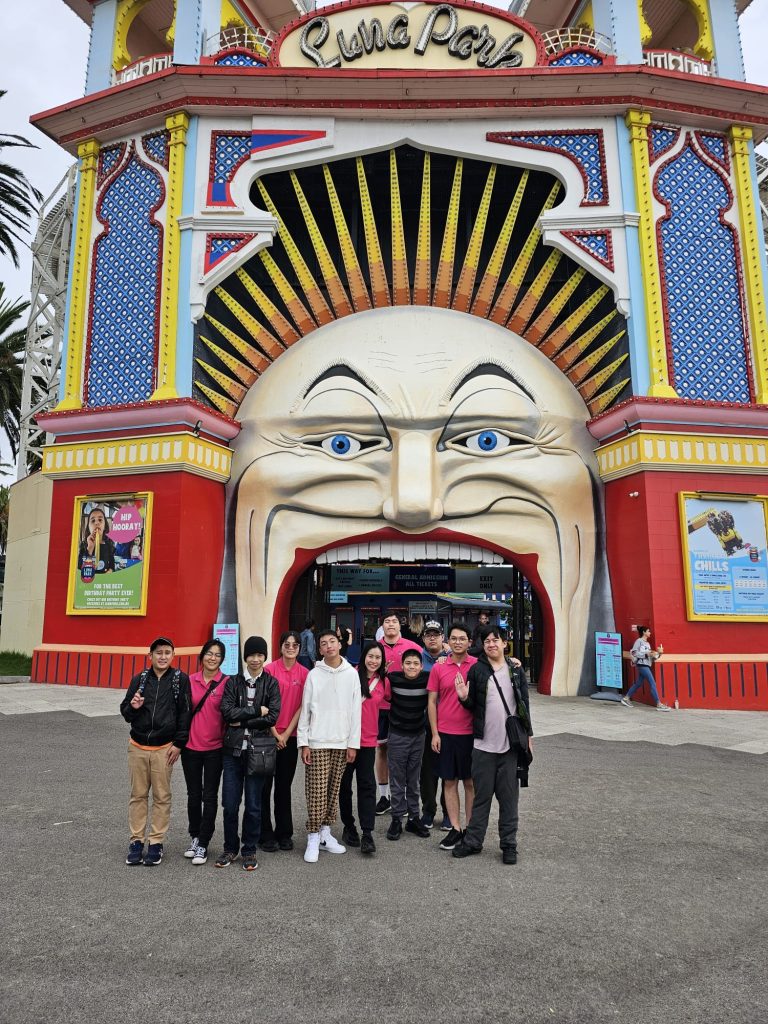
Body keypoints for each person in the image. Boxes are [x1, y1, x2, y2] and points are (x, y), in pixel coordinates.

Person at [453, 627, 532, 865]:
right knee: (481, 798)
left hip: (510, 747)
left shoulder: (516, 670)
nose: (491, 644)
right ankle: (473, 841)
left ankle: (509, 845)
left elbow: (524, 704)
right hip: (483, 745)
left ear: (504, 643)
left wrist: (528, 736)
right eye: (486, 641)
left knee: (509, 800)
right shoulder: (477, 670)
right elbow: (472, 705)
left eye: (495, 640)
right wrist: (464, 697)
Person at [120, 637, 191, 866]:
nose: (162, 656)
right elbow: (125, 711)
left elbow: (185, 713)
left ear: (173, 656)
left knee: (161, 796)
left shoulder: (180, 680)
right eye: (158, 652)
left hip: (164, 748)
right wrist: (133, 707)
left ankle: (156, 842)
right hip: (138, 746)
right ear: (150, 656)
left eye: (167, 652)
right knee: (138, 795)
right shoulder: (140, 679)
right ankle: (136, 841)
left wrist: (179, 744)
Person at [216, 636, 281, 871]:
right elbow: (227, 713)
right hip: (233, 752)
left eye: (260, 655)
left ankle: (249, 849)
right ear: (245, 657)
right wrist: (255, 711)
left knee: (254, 805)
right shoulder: (233, 682)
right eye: (251, 655)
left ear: (265, 657)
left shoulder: (271, 683)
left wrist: (242, 720)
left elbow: (272, 716)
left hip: (258, 752)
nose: (255, 659)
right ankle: (230, 847)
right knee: (230, 804)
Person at [297, 629, 361, 863]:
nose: (328, 646)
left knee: (333, 790)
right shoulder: (314, 674)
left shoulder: (351, 674)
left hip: (342, 741)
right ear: (319, 649)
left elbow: (356, 711)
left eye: (332, 641)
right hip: (317, 740)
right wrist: (303, 742)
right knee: (317, 791)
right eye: (323, 643)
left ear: (340, 644)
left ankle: (325, 833)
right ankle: (313, 836)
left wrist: (353, 743)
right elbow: (305, 709)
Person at [427, 622, 477, 850]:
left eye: (462, 638)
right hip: (445, 734)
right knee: (449, 781)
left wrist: (513, 662)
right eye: (454, 638)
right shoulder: (439, 667)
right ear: (448, 641)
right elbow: (432, 701)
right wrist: (434, 733)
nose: (458, 642)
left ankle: (470, 829)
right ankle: (455, 828)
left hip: (471, 734)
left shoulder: (477, 666)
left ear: (469, 642)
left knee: (470, 782)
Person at [260, 630, 309, 852]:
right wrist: (275, 733)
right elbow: (262, 704)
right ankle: (264, 834)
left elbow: (302, 706)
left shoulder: (305, 673)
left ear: (299, 648)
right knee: (264, 786)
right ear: (280, 647)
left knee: (283, 786)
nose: (290, 648)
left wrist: (287, 734)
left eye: (294, 645)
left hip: (290, 737)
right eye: (286, 644)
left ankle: (284, 833)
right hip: (266, 735)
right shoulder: (269, 670)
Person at [181, 638, 228, 866]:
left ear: (222, 659)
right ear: (202, 656)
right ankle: (194, 836)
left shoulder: (226, 683)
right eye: (209, 653)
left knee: (209, 796)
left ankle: (204, 842)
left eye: (217, 655)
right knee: (193, 795)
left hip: (215, 749)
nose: (212, 658)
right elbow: (181, 712)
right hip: (190, 747)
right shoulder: (190, 681)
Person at [339, 641, 389, 856]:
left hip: (368, 741)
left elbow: (390, 702)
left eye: (378, 657)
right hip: (346, 740)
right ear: (363, 656)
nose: (373, 661)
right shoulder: (350, 675)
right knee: (344, 785)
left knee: (367, 785)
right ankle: (348, 825)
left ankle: (367, 832)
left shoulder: (383, 681)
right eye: (370, 656)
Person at [386, 648, 431, 841]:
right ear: (402, 665)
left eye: (415, 663)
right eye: (408, 663)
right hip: (397, 735)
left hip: (418, 735)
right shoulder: (392, 678)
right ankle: (397, 818)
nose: (412, 667)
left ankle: (414, 817)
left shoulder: (428, 678)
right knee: (397, 779)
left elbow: (446, 673)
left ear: (421, 666)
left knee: (414, 779)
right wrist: (382, 671)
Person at [376, 612, 419, 815]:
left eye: (394, 621)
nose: (391, 624)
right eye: (387, 621)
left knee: (407, 755)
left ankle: (405, 798)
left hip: (406, 708)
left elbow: (430, 664)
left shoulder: (413, 647)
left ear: (400, 625)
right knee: (382, 750)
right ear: (382, 626)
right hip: (381, 708)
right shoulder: (375, 648)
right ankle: (384, 796)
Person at [419, 621, 449, 829]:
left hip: (448, 724)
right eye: (428, 635)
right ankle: (428, 811)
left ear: (442, 637)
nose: (432, 638)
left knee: (448, 771)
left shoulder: (451, 658)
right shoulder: (416, 659)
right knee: (427, 773)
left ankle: (449, 812)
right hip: (425, 724)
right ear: (423, 638)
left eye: (436, 634)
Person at [622, 626, 670, 711]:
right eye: (648, 631)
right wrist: (646, 654)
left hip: (646, 665)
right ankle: (659, 704)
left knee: (638, 683)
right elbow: (634, 653)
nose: (650, 633)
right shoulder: (639, 641)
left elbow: (651, 658)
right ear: (644, 632)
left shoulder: (647, 644)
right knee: (652, 683)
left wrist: (659, 654)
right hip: (642, 665)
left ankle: (626, 698)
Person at [77, 506, 115, 574]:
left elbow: (112, 565)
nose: (97, 523)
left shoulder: (108, 544)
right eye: (93, 521)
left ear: (104, 526)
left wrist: (110, 570)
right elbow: (79, 569)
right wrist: (90, 549)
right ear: (89, 527)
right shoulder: (84, 545)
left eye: (100, 520)